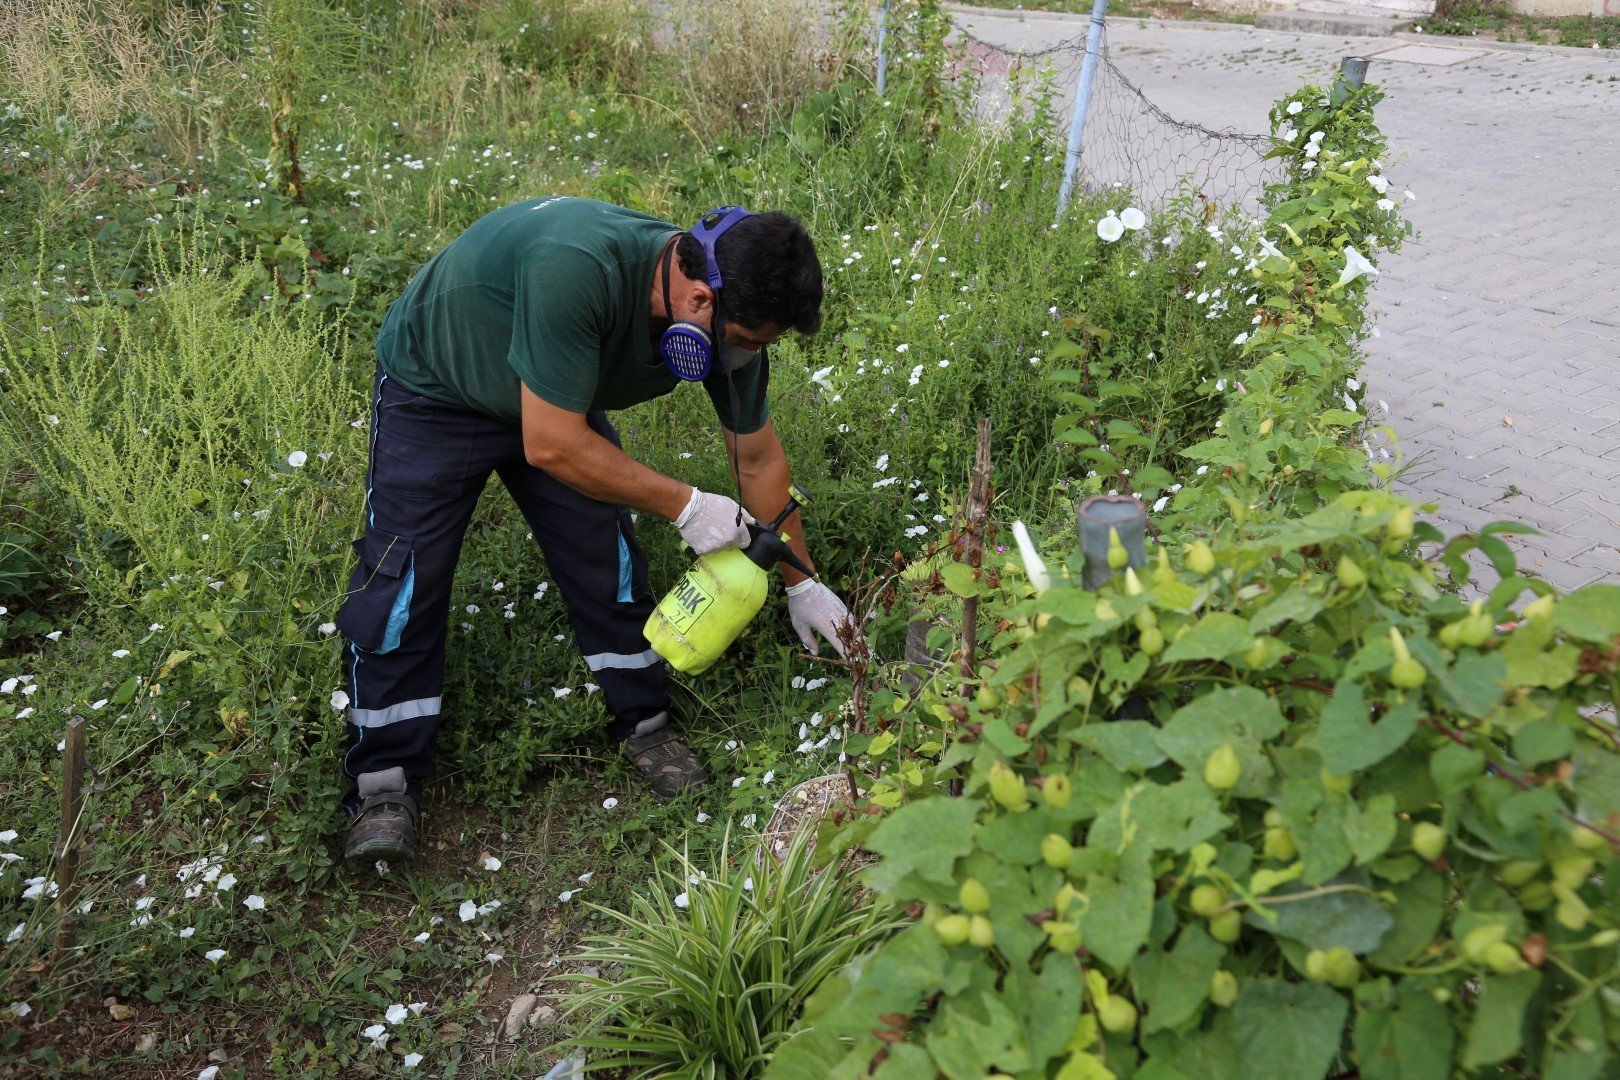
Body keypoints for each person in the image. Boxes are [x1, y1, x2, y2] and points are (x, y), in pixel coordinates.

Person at [335, 196, 855, 864]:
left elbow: (755, 457)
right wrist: (689, 506)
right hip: (443, 386)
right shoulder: (575, 267)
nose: (749, 355)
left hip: (557, 398)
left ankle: (646, 724)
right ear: (700, 299)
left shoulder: (727, 318)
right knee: (405, 578)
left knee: (606, 559)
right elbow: (552, 446)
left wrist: (800, 583)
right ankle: (385, 784)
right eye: (749, 340)